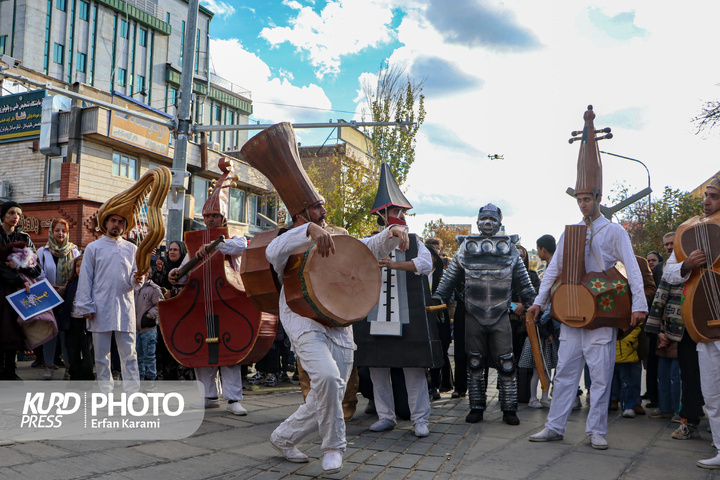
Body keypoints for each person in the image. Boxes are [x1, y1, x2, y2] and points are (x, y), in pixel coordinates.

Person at [528, 104, 647, 450]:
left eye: (587, 198)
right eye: (578, 198)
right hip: (571, 310)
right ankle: (555, 426)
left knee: (600, 375)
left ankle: (597, 432)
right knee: (565, 373)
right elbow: (553, 269)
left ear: (598, 197)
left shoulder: (615, 232)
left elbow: (633, 269)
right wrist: (539, 301)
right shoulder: (570, 232)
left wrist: (639, 304)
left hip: (603, 310)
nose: (582, 204)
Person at [267, 198, 408, 475]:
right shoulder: (289, 241)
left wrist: (391, 233)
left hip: (340, 322)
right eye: (317, 207)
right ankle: (334, 446)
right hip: (304, 321)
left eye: (323, 207)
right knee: (328, 378)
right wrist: (309, 230)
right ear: (301, 213)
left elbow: (367, 249)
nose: (324, 212)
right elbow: (272, 252)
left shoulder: (338, 236)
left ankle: (283, 438)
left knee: (331, 390)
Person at [434, 203, 537, 425]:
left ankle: (509, 408)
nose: (488, 222)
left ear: (499, 222)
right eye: (484, 218)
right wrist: (439, 297)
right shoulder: (466, 247)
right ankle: (477, 406)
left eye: (492, 218)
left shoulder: (509, 248)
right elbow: (450, 276)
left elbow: (522, 279)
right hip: (473, 312)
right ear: (478, 220)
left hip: (500, 314)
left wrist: (533, 301)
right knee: (474, 361)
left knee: (507, 362)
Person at [169, 192, 250, 416]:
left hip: (228, 302)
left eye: (215, 215)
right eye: (207, 216)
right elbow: (185, 272)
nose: (211, 219)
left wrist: (214, 245)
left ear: (224, 218)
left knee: (229, 350)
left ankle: (233, 399)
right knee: (202, 349)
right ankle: (208, 395)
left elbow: (239, 246)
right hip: (200, 302)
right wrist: (175, 274)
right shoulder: (195, 241)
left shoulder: (235, 236)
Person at [661, 177, 720, 468]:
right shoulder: (689, 231)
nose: (707, 201)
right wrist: (686, 264)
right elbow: (669, 274)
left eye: (714, 196)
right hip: (698, 323)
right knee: (706, 389)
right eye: (706, 195)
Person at [75, 213, 143, 393]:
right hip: (100, 306)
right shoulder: (93, 247)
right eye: (113, 221)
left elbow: (135, 281)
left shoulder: (131, 248)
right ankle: (105, 390)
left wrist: (138, 278)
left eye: (121, 222)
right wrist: (86, 305)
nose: (117, 225)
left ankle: (133, 391)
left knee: (129, 353)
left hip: (125, 305)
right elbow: (85, 279)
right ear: (105, 223)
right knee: (101, 355)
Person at [0, 202, 42, 380]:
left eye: (18, 213)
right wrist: (15, 278)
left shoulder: (25, 238)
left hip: (20, 290)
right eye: (11, 212)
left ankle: (11, 370)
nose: (15, 216)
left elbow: (36, 267)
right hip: (2, 289)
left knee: (16, 329)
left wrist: (19, 267)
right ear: (2, 215)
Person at [37, 218, 81, 380]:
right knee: (49, 332)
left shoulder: (74, 251)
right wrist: (52, 287)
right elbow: (38, 273)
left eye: (64, 230)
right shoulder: (43, 251)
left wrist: (64, 288)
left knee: (66, 332)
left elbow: (77, 273)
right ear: (52, 231)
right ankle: (48, 365)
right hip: (47, 295)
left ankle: (68, 367)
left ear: (68, 233)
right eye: (57, 230)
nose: (60, 233)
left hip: (67, 296)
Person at [57, 254, 94, 381]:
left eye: (83, 266)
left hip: (86, 322)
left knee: (87, 349)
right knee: (73, 349)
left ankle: (87, 376)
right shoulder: (72, 283)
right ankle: (75, 375)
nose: (79, 269)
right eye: (77, 266)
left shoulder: (93, 284)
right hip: (72, 321)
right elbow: (66, 300)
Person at [134, 272, 163, 388]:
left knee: (149, 356)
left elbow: (160, 304)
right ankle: (140, 378)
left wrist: (150, 315)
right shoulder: (134, 288)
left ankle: (151, 379)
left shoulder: (153, 289)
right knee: (138, 356)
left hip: (148, 328)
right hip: (136, 328)